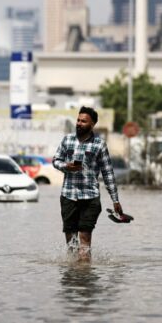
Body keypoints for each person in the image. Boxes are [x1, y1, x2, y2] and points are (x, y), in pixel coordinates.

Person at [52, 106, 122, 260]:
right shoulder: (67, 140)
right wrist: (66, 166)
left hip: (90, 198)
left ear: (92, 124)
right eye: (78, 120)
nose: (79, 123)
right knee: (71, 241)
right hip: (68, 196)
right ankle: (72, 277)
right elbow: (56, 160)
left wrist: (115, 199)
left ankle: (84, 278)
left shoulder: (99, 144)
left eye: (83, 121)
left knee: (85, 239)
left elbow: (108, 173)